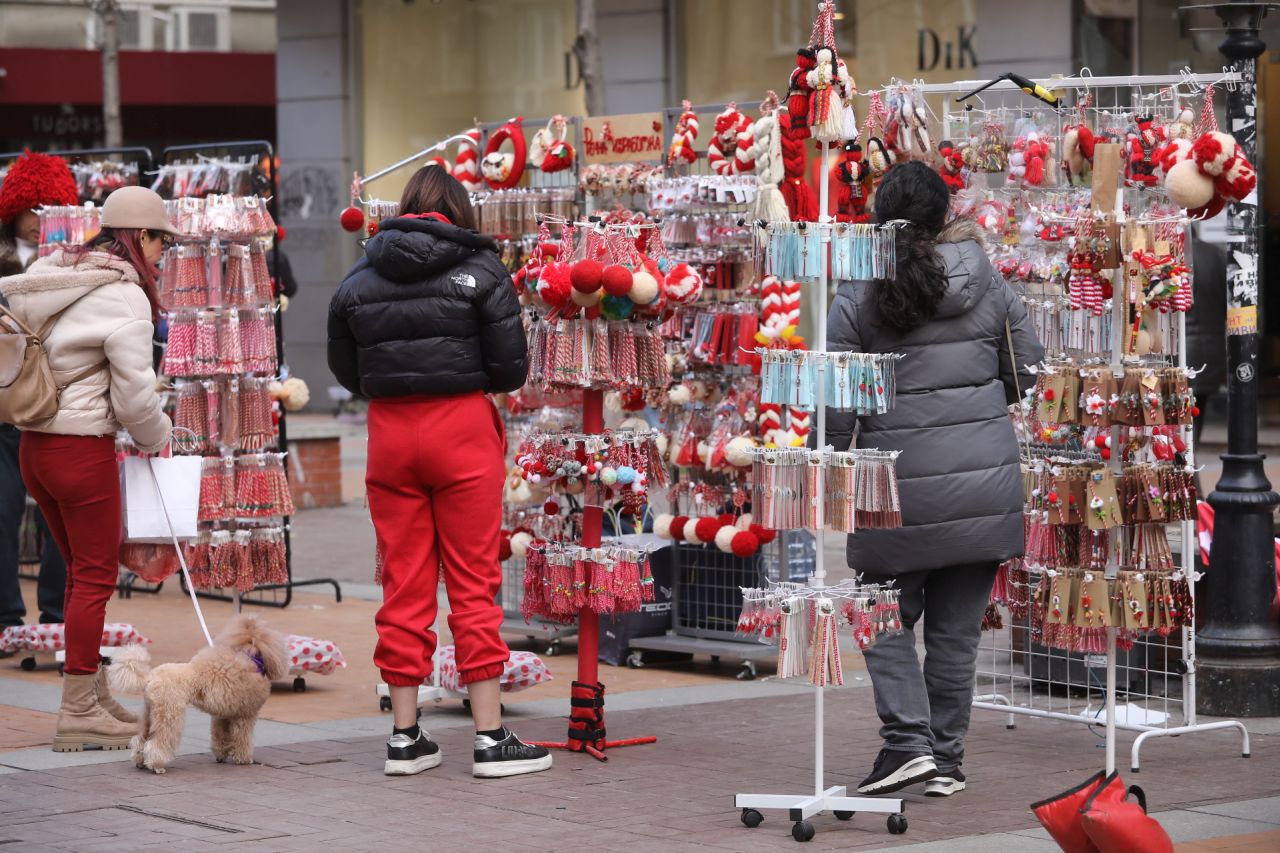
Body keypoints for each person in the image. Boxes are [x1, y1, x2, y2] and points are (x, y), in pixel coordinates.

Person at [825, 162, 1043, 798]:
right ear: (944, 215)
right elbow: (1026, 372)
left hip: (897, 488)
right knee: (955, 636)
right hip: (985, 487)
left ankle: (906, 745)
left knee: (878, 610)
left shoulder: (861, 289)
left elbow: (840, 400)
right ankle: (944, 760)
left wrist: (841, 463)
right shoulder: (987, 278)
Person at [328, 165, 548, 779]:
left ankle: (404, 737)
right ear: (460, 212)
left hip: (392, 435)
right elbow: (509, 369)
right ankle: (489, 737)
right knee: (473, 579)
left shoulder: (359, 277)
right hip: (461, 432)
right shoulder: (482, 272)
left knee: (403, 582)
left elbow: (347, 371)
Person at [0, 185, 173, 751]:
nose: (162, 254)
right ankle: (78, 709)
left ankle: (94, 696)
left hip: (33, 446)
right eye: (161, 241)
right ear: (139, 236)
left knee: (78, 574)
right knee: (95, 579)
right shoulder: (124, 297)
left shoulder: (50, 273)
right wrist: (160, 435)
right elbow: (134, 400)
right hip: (80, 450)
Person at [0, 151, 77, 640]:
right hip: (7, 403)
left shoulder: (75, 262)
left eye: (48, 210)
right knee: (3, 510)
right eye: (31, 210)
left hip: (59, 402)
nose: (38, 222)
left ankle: (57, 618)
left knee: (60, 515)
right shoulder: (3, 261)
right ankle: (6, 619)